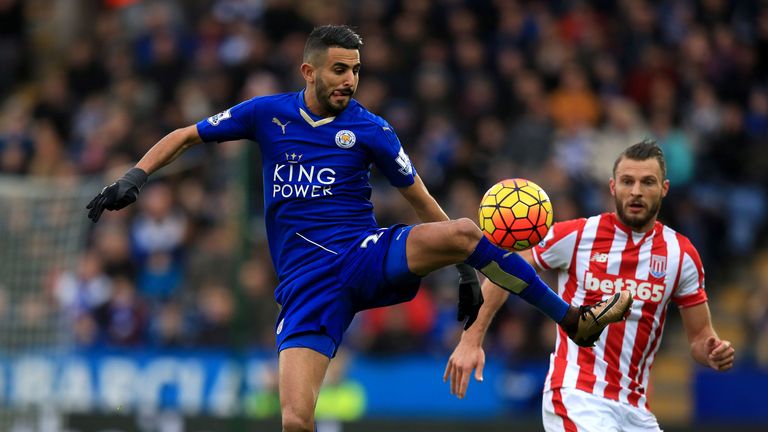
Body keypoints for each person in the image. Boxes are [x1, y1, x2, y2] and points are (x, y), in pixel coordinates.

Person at [86, 25, 632, 432]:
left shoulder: (371, 129)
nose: (350, 80)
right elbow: (185, 134)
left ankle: (573, 320)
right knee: (297, 421)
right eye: (340, 70)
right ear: (309, 72)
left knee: (465, 231)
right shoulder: (265, 115)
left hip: (363, 255)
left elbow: (421, 201)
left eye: (356, 70)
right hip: (304, 286)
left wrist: (466, 274)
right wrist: (135, 175)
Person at [444, 140, 736, 431]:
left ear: (664, 189)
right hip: (577, 396)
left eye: (647, 182)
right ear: (612, 187)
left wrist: (712, 352)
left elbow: (699, 338)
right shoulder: (578, 235)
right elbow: (506, 269)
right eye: (627, 181)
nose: (636, 191)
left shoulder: (681, 255)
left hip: (636, 410)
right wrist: (472, 339)